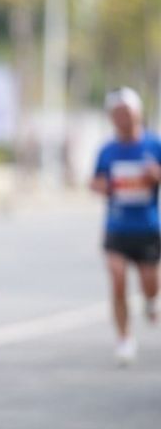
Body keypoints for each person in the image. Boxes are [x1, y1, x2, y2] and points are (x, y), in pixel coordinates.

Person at [91, 87, 160, 366]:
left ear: (138, 114)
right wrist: (104, 186)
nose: (123, 118)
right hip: (116, 226)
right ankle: (124, 338)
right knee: (117, 279)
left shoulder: (153, 145)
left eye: (127, 113)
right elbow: (95, 181)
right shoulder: (107, 150)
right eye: (117, 114)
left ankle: (150, 300)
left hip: (147, 227)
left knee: (149, 284)